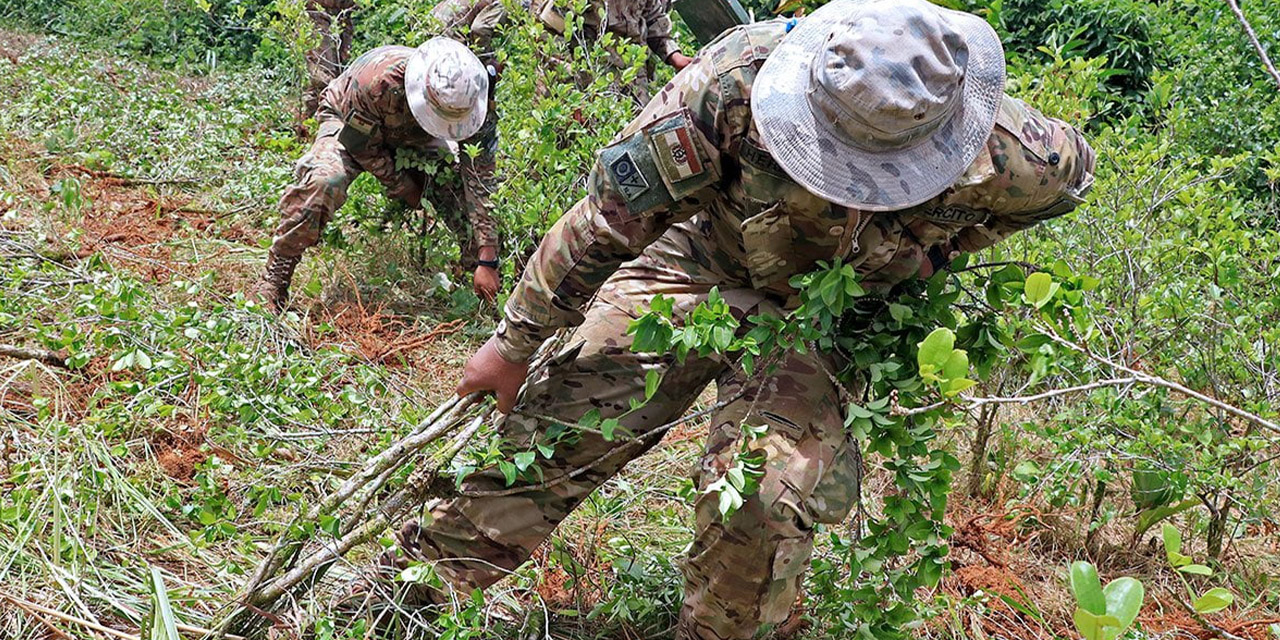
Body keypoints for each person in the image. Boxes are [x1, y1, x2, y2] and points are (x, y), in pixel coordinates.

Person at [374, 1, 1096, 638]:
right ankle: (404, 598)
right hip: (703, 259)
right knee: (567, 415)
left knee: (764, 492)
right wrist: (513, 342)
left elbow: (1063, 191)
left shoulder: (1020, 153)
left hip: (830, 316)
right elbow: (607, 220)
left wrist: (936, 254)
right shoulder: (732, 82)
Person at [252, 37, 502, 310]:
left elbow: (480, 181)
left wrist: (487, 257)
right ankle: (275, 278)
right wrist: (404, 187)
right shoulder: (378, 81)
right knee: (325, 182)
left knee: (458, 194)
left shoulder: (474, 99)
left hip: (414, 137)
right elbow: (360, 144)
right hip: (348, 122)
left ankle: (483, 291)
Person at [535, 0, 692, 101]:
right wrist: (572, 98)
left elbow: (651, 15)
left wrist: (673, 54)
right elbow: (548, 37)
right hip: (588, 88)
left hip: (634, 84)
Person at [302, 0, 357, 118]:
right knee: (323, 77)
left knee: (334, 76)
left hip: (335, 17)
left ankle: (315, 120)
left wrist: (345, 42)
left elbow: (347, 12)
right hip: (315, 15)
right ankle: (313, 121)